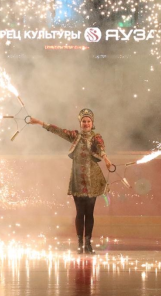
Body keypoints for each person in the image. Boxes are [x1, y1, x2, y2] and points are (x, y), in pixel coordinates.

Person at [29, 109, 112, 255]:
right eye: (83, 121)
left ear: (92, 123)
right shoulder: (75, 136)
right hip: (78, 178)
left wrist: (105, 158)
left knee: (90, 213)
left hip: (92, 178)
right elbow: (57, 130)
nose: (86, 123)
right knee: (80, 213)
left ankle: (88, 244)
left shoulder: (96, 137)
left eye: (88, 121)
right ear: (80, 123)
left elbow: (101, 147)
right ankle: (80, 244)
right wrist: (39, 122)